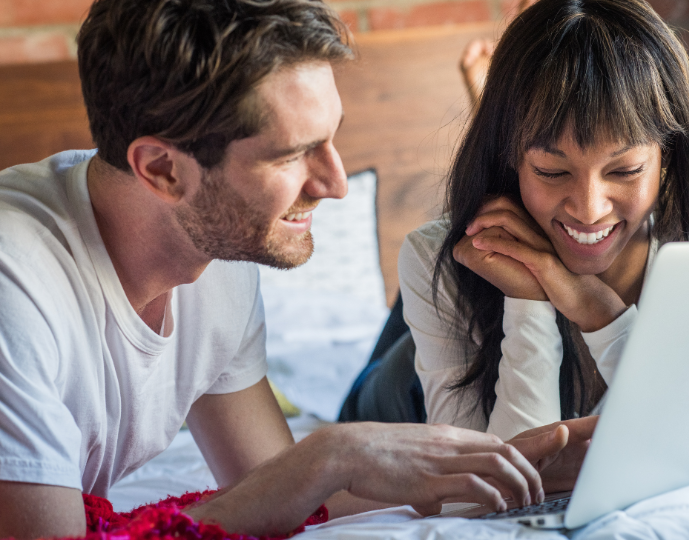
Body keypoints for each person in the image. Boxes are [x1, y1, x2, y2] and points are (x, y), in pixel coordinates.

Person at [0, 1, 596, 539]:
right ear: (161, 170)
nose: (334, 183)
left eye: (332, 138)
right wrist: (330, 453)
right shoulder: (15, 282)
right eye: (290, 155)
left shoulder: (219, 263)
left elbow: (277, 491)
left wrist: (486, 472)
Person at [396, 0, 689, 441]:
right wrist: (528, 302)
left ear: (669, 154)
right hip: (396, 397)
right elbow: (483, 495)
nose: (589, 209)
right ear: (509, 158)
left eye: (624, 170)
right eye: (552, 172)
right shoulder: (431, 255)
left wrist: (599, 312)